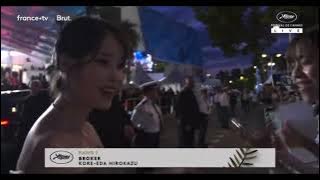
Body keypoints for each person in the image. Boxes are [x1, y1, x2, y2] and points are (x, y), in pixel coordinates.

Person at [16, 16, 133, 174]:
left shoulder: (84, 129)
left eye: (120, 66)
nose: (117, 77)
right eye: (103, 62)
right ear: (64, 62)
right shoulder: (52, 147)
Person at [17, 80, 51, 151]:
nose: (34, 88)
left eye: (36, 86)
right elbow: (24, 116)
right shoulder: (27, 100)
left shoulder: (44, 99)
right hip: (31, 126)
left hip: (39, 126)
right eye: (33, 86)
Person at [131, 81, 163, 148]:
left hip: (156, 135)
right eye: (155, 90)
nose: (157, 92)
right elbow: (133, 121)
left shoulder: (154, 105)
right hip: (147, 137)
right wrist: (142, 129)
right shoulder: (141, 107)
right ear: (149, 92)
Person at [176, 76, 201, 147]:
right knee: (186, 141)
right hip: (187, 123)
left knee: (190, 140)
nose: (194, 84)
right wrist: (186, 123)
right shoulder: (184, 93)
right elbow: (180, 109)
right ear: (188, 83)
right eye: (192, 82)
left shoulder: (190, 92)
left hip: (191, 122)